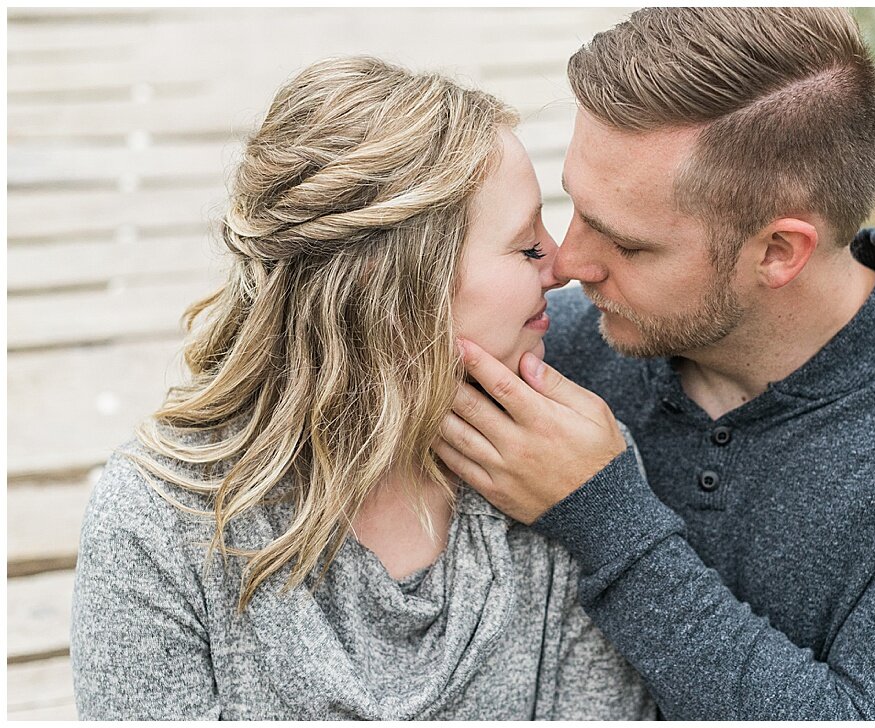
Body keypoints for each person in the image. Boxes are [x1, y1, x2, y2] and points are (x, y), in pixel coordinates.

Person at [436, 7, 875, 721]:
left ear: (778, 251)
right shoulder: (554, 346)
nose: (567, 262)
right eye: (576, 206)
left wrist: (603, 515)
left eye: (630, 244)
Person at [70, 55, 654, 721]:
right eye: (526, 245)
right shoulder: (158, 520)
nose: (563, 267)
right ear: (400, 295)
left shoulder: (570, 474)